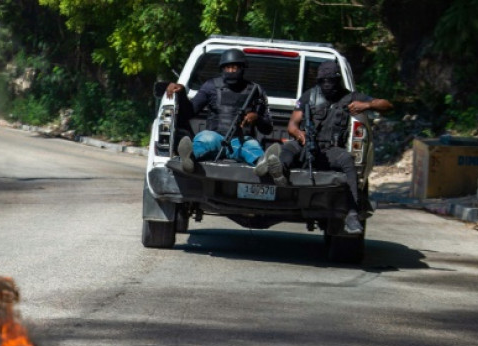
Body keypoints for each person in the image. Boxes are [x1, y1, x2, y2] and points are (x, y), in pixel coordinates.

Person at [279, 61, 393, 234]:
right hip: (307, 145)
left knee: (348, 160)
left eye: (331, 80)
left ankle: (352, 213)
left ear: (337, 80)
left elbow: (387, 105)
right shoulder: (309, 96)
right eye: (323, 80)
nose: (327, 84)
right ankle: (278, 174)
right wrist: (299, 135)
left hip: (331, 150)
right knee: (288, 149)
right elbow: (292, 125)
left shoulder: (351, 97)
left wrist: (367, 105)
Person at [166, 48, 283, 181]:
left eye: (235, 68)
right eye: (228, 68)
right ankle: (188, 159)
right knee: (205, 139)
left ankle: (265, 164)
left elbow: (268, 128)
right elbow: (189, 112)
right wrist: (181, 93)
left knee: (253, 147)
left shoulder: (256, 90)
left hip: (241, 140)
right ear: (222, 69)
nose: (231, 71)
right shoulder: (211, 86)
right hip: (215, 137)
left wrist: (257, 118)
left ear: (242, 68)